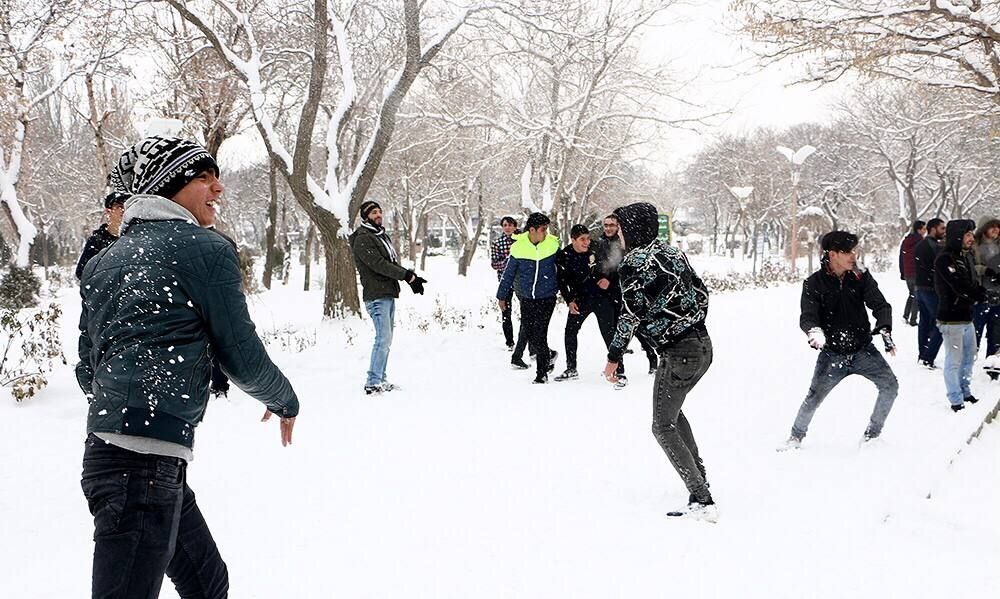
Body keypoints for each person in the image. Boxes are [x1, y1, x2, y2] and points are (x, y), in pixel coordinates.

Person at [77, 136, 300, 598]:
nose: (218, 188)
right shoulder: (205, 249)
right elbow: (239, 352)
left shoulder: (102, 262)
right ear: (171, 187)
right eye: (203, 177)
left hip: (126, 459)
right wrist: (283, 400)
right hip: (141, 466)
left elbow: (88, 369)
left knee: (208, 583)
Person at [600, 203, 715, 521]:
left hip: (679, 352)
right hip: (703, 345)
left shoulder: (634, 262)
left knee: (662, 426)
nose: (618, 234)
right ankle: (699, 480)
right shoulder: (673, 253)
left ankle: (702, 498)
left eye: (621, 228)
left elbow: (630, 313)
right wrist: (686, 323)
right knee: (672, 416)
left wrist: (614, 357)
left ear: (632, 229)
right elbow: (702, 294)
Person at [784, 231, 898, 450]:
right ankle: (795, 437)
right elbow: (808, 316)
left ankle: (872, 437)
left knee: (890, 386)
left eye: (854, 250)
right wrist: (814, 331)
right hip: (832, 354)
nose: (853, 256)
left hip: (863, 350)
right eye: (847, 252)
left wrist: (884, 327)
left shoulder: (860, 276)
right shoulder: (813, 284)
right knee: (813, 397)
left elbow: (880, 305)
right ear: (832, 254)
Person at [349, 200, 427, 395]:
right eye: (374, 212)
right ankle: (373, 382)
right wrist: (407, 276)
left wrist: (410, 277)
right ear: (366, 216)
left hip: (387, 293)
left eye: (380, 212)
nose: (378, 215)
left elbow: (389, 262)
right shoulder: (363, 238)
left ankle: (380, 379)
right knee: (382, 339)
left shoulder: (379, 235)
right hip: (376, 295)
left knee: (386, 339)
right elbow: (379, 264)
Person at [554, 224, 626, 386]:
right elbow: (562, 281)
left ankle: (619, 370)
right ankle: (571, 368)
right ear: (573, 240)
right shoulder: (565, 255)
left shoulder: (597, 248)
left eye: (588, 238)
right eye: (582, 240)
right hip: (581, 300)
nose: (586, 242)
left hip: (602, 298)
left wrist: (608, 278)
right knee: (570, 332)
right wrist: (570, 300)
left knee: (609, 333)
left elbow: (614, 265)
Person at [497, 212, 560, 384]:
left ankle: (541, 374)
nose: (546, 233)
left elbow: (563, 270)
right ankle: (548, 356)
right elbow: (508, 274)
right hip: (526, 298)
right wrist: (501, 296)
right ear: (532, 230)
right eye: (543, 229)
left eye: (547, 229)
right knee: (531, 333)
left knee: (540, 333)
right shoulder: (518, 247)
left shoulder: (553, 245)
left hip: (547, 297)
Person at [593, 214, 659, 374]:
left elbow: (624, 268)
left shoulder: (624, 243)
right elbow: (595, 264)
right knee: (609, 330)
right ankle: (618, 367)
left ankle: (652, 356)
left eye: (612, 225)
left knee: (635, 327)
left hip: (623, 293)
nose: (608, 228)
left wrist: (610, 279)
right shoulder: (599, 243)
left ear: (618, 227)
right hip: (604, 294)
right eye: (606, 225)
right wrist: (599, 276)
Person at [934, 219, 986, 412]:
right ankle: (955, 399)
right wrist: (977, 295)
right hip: (951, 318)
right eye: (967, 235)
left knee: (969, 356)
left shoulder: (966, 256)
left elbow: (971, 282)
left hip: (966, 316)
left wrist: (980, 291)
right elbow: (958, 285)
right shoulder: (945, 259)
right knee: (954, 360)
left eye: (972, 234)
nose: (971, 238)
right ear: (957, 236)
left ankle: (965, 390)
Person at [914, 218, 946, 368]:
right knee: (942, 323)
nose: (944, 232)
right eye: (942, 229)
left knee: (925, 322)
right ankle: (928, 357)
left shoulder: (921, 244)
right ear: (932, 229)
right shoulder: (933, 246)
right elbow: (936, 268)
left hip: (921, 288)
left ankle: (923, 355)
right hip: (931, 290)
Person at [75, 191, 129, 279]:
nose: (124, 210)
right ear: (108, 211)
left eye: (127, 206)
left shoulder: (135, 237)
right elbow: (82, 272)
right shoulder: (97, 240)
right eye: (119, 206)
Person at [490, 216, 521, 350]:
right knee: (505, 311)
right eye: (505, 225)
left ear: (515, 226)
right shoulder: (497, 243)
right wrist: (509, 263)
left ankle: (526, 340)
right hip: (505, 281)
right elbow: (494, 263)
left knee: (527, 311)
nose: (507, 227)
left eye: (510, 225)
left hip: (521, 280)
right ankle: (510, 342)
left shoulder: (522, 241)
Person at [972, 217, 1000, 361]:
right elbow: (968, 266)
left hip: (998, 296)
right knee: (974, 334)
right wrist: (985, 270)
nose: (996, 229)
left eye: (997, 226)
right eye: (992, 227)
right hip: (981, 295)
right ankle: (967, 364)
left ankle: (992, 365)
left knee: (996, 335)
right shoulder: (974, 246)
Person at [898, 220, 926, 326]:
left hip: (907, 272)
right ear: (919, 230)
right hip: (916, 272)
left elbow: (901, 257)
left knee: (912, 294)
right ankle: (913, 320)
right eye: (924, 229)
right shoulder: (921, 242)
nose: (925, 231)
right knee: (917, 296)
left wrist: (902, 271)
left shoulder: (906, 241)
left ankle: (905, 316)